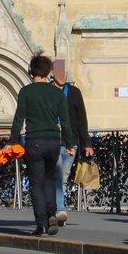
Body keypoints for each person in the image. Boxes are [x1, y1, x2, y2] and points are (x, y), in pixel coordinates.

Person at [10, 54, 74, 236]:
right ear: (49, 73)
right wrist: (69, 143)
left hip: (34, 141)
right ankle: (52, 212)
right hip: (54, 141)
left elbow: (18, 120)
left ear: (31, 71)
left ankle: (42, 225)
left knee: (36, 183)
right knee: (50, 179)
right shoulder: (57, 93)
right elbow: (66, 121)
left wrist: (12, 142)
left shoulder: (26, 92)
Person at [51, 62, 92, 226]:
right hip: (53, 140)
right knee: (56, 175)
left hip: (71, 142)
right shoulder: (47, 91)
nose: (62, 76)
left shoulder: (74, 93)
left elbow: (82, 119)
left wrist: (87, 143)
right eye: (59, 72)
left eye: (64, 72)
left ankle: (55, 209)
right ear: (52, 74)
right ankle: (60, 209)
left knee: (63, 177)